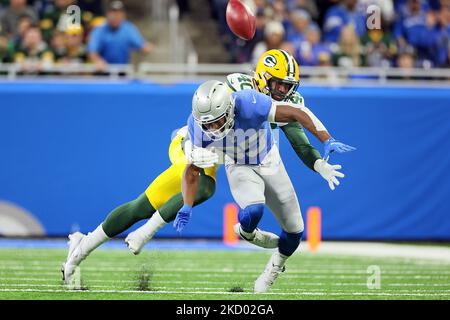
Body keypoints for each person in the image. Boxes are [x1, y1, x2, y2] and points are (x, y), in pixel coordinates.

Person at [61, 50, 352, 287]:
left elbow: (296, 132)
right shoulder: (237, 94)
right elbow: (202, 145)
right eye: (277, 84)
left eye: (287, 86)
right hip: (197, 145)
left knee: (181, 194)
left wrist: (319, 157)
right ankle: (114, 240)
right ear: (262, 79)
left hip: (233, 150)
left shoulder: (258, 104)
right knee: (186, 191)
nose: (282, 91)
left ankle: (83, 243)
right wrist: (154, 227)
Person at [176, 80, 355, 293]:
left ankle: (274, 268)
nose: (213, 129)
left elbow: (297, 112)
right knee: (254, 208)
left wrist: (326, 139)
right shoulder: (198, 126)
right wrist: (187, 205)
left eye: (217, 121)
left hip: (269, 161)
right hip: (238, 165)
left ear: (230, 108)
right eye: (208, 124)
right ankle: (247, 233)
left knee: (295, 231)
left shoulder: (250, 103)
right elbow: (192, 170)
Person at [87, 0, 153, 70]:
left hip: (122, 71)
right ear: (107, 14)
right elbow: (92, 51)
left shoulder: (128, 28)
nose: (116, 16)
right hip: (103, 72)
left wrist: (147, 47)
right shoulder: (100, 29)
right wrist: (98, 61)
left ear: (123, 15)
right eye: (113, 13)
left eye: (118, 13)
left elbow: (141, 45)